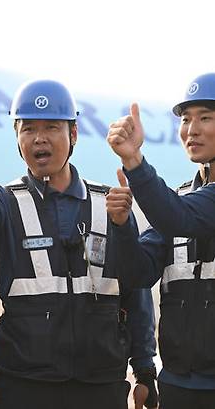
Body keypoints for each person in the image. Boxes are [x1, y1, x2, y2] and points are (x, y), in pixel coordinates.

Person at [0, 79, 158, 409]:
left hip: (100, 386)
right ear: (17, 139)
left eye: (52, 127)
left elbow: (135, 291)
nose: (39, 138)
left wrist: (145, 371)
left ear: (74, 135)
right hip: (24, 386)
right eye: (28, 129)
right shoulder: (3, 201)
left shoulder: (111, 204)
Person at [107, 73, 215, 408]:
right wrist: (122, 225)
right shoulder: (182, 198)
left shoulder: (180, 208)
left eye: (206, 118)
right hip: (178, 384)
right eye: (186, 119)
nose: (191, 129)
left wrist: (134, 161)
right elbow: (139, 273)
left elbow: (178, 216)